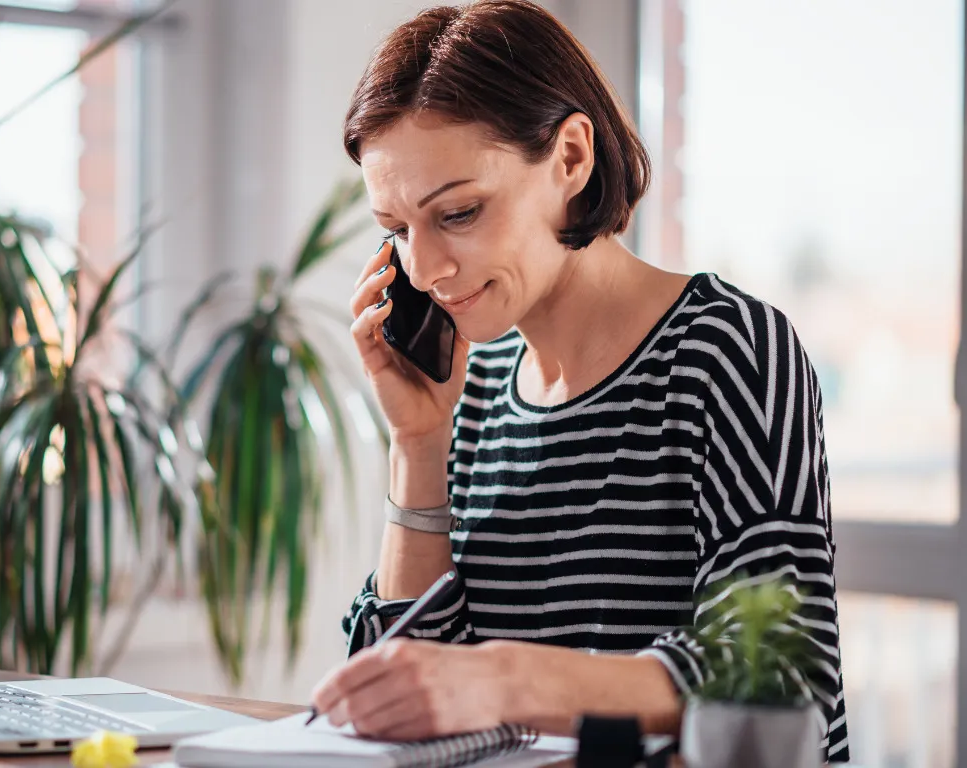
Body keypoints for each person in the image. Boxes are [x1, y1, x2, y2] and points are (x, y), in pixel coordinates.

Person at [307, 1, 848, 762]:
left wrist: (505, 679)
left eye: (458, 212)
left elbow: (777, 669)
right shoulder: (474, 385)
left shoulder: (726, 349)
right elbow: (411, 691)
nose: (423, 270)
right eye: (397, 229)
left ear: (570, 158)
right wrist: (418, 446)